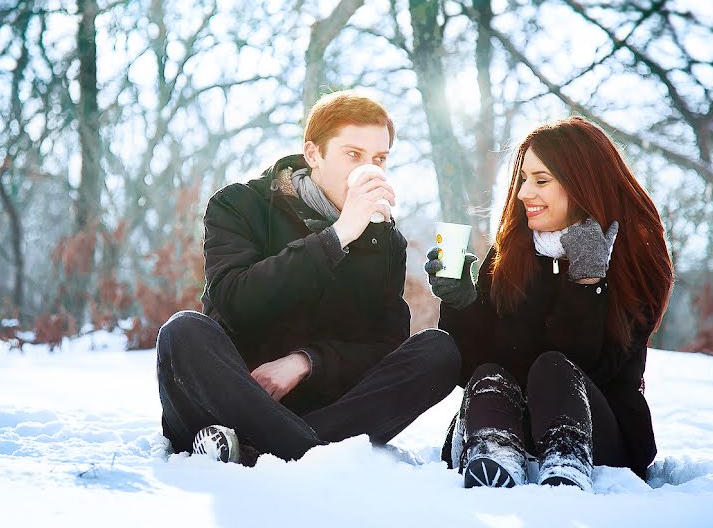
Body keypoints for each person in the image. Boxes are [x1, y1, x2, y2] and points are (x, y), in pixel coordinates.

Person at [156, 90, 461, 465]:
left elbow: (384, 346)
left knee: (439, 351)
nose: (371, 169)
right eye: (353, 155)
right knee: (182, 331)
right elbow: (234, 301)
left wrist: (306, 362)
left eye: (379, 159)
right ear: (313, 153)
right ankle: (306, 452)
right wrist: (336, 238)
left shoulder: (385, 239)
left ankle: (259, 447)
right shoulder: (239, 204)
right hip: (235, 394)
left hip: (323, 410)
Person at [425, 116, 673, 491]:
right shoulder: (511, 253)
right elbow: (472, 371)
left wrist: (587, 282)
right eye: (524, 179)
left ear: (583, 184)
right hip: (508, 422)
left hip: (600, 430)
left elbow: (597, 367)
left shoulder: (632, 258)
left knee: (553, 368)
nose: (524, 192)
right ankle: (493, 454)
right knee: (491, 373)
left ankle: (566, 463)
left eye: (541, 180)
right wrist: (462, 302)